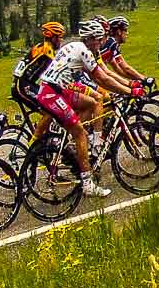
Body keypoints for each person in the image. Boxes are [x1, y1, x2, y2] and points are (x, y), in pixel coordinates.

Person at [32, 20, 129, 196]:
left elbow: (102, 77)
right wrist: (129, 91)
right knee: (80, 133)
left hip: (59, 88)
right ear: (90, 39)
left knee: (92, 102)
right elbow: (102, 79)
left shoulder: (74, 45)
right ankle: (87, 183)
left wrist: (126, 87)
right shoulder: (84, 51)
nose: (101, 43)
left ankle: (78, 144)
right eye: (99, 40)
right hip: (52, 93)